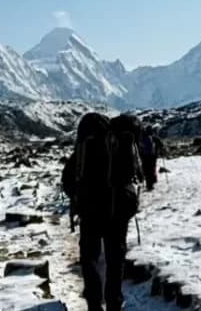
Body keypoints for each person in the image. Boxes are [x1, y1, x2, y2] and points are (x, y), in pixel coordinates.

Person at [61, 112, 142, 311]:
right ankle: (114, 302)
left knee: (90, 258)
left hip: (91, 211)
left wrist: (78, 199)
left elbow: (68, 179)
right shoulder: (122, 144)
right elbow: (135, 175)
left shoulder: (84, 148)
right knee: (115, 258)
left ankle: (94, 304)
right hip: (119, 211)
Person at [138, 123, 165, 191]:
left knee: (147, 170)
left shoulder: (142, 137)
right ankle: (152, 181)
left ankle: (149, 184)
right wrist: (161, 150)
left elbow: (139, 147)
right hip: (153, 156)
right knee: (152, 168)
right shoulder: (153, 137)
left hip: (144, 156)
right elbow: (161, 144)